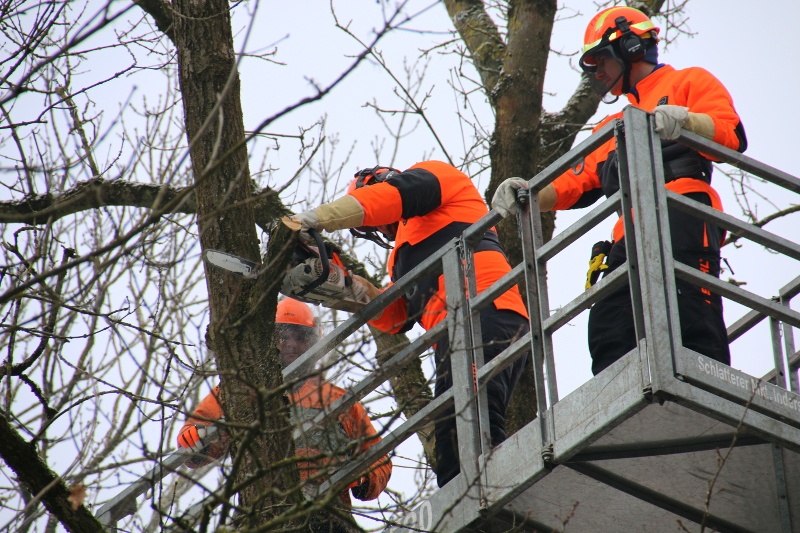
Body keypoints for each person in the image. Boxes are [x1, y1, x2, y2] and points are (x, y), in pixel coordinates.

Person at [492, 6, 747, 375]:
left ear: (628, 47)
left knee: (689, 307)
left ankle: (710, 390)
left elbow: (731, 134)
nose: (598, 73)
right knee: (610, 323)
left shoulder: (687, 82)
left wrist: (689, 121)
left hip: (684, 208)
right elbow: (573, 183)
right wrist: (528, 192)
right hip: (628, 230)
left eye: (600, 61)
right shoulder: (611, 127)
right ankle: (625, 396)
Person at [292, 160, 530, 488]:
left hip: (485, 308)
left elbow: (390, 198)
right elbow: (399, 314)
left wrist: (318, 219)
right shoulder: (405, 256)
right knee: (456, 435)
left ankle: (490, 503)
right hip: (460, 330)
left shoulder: (438, 180)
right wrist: (346, 288)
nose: (383, 230)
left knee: (470, 428)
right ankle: (482, 501)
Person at [177, 298, 392, 527]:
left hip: (328, 514)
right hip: (262, 508)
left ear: (314, 342)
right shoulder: (241, 391)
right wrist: (193, 439)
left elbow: (379, 460)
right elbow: (198, 435)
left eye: (300, 337)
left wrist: (359, 475)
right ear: (268, 340)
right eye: (282, 336)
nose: (291, 344)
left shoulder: (338, 401)